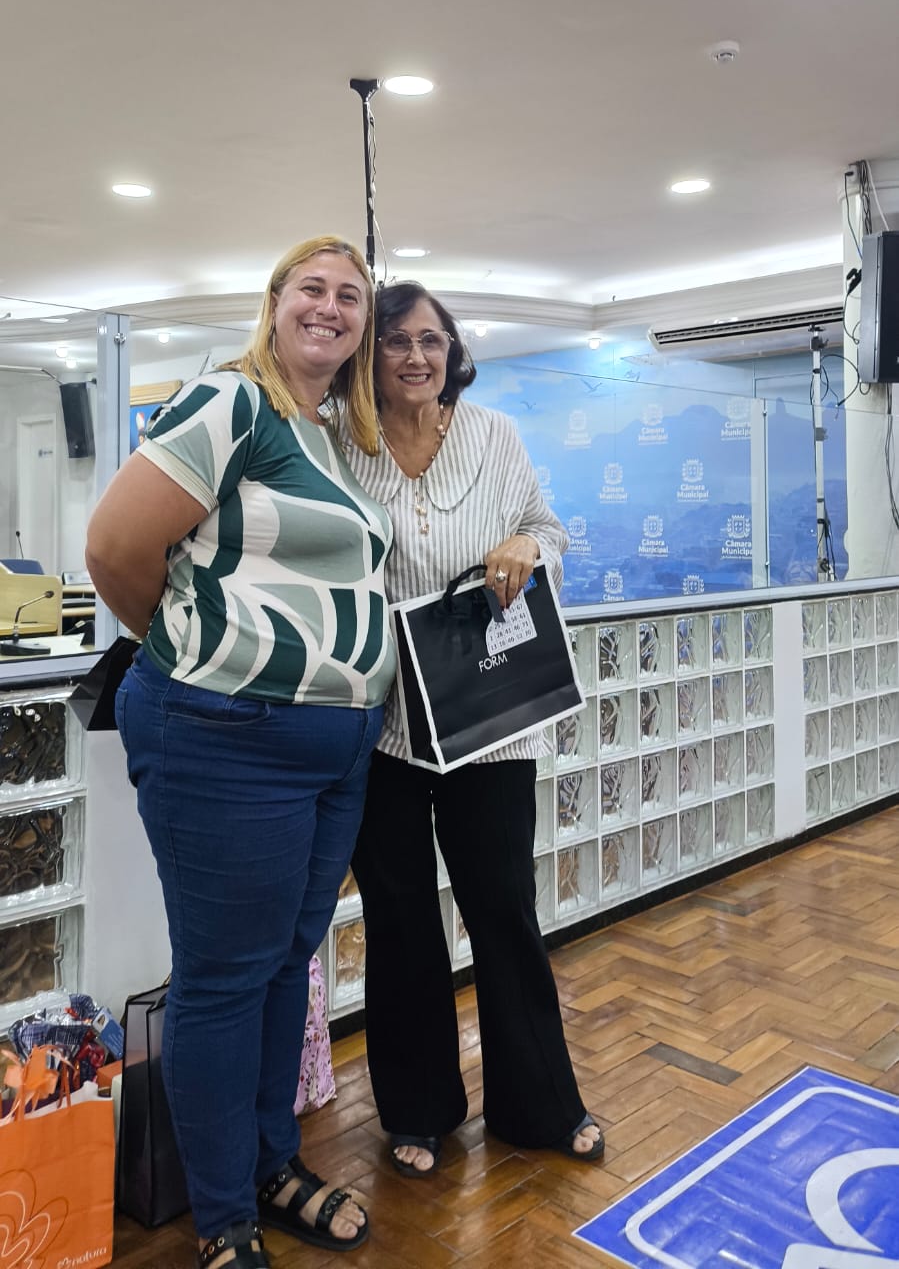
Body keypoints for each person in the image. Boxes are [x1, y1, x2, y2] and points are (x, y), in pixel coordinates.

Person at [85, 237, 395, 1269]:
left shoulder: (329, 436)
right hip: (227, 741)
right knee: (225, 978)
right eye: (312, 287)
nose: (330, 305)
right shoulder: (231, 403)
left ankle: (271, 1165)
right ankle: (222, 1219)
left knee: (282, 966)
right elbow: (114, 549)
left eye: (350, 295)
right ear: (274, 302)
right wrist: (192, 651)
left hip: (333, 748)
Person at [343, 281, 603, 1178]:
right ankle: (416, 1109)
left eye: (431, 339)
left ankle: (537, 1106)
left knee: (502, 908)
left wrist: (530, 546)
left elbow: (546, 528)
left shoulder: (493, 434)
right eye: (395, 340)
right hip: (381, 719)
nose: (416, 356)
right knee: (400, 918)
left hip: (490, 719)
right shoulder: (340, 442)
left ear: (453, 351)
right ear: (368, 354)